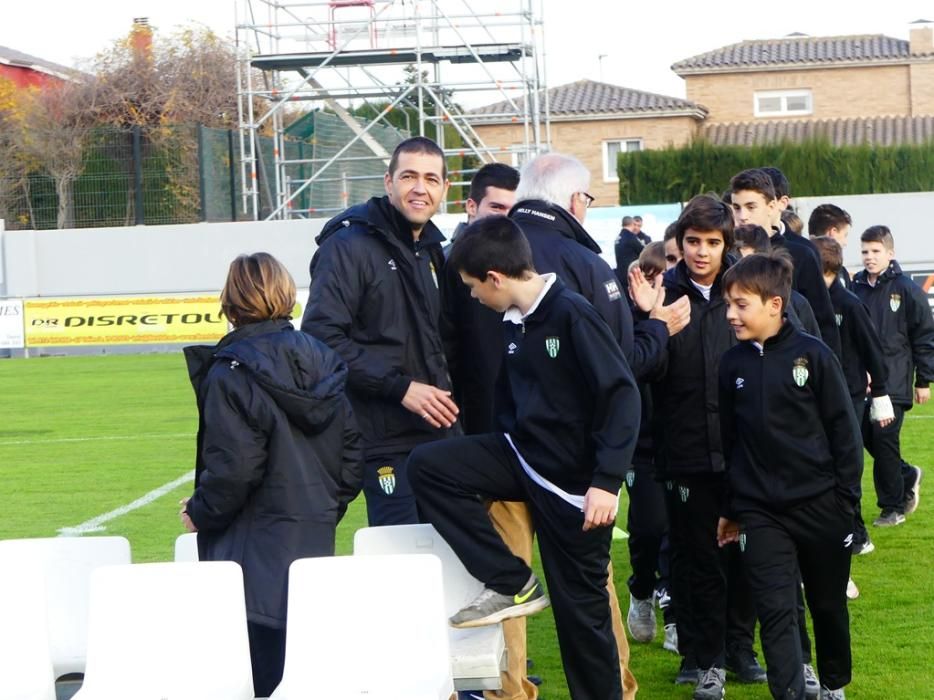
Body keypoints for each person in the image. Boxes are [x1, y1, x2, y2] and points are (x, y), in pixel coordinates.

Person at [409, 215, 641, 700]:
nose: (473, 297)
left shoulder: (572, 314)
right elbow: (511, 401)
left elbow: (621, 396)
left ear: (495, 278)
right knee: (429, 467)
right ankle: (513, 580)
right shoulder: (513, 322)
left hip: (576, 493)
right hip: (521, 459)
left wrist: (607, 479)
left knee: (583, 623)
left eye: (474, 287)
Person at [180, 253, 363, 697]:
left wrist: (200, 512)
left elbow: (235, 469)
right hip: (309, 542)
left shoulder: (232, 372)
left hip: (252, 554)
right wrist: (320, 507)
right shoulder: (324, 358)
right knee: (303, 676)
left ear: (230, 300)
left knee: (261, 678)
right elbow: (353, 455)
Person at [717, 252, 861, 700]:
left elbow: (844, 433)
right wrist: (732, 509)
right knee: (776, 610)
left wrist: (845, 504)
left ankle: (834, 684)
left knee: (827, 606)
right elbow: (730, 442)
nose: (730, 314)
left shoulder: (813, 356)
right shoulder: (732, 365)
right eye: (728, 304)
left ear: (774, 304)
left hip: (822, 506)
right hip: (761, 514)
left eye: (741, 304)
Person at [302, 136, 459, 527]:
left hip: (441, 436)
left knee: (451, 557)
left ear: (444, 188)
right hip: (385, 441)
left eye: (430, 179)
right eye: (408, 177)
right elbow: (321, 337)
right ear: (388, 182)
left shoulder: (433, 250)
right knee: (402, 557)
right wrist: (400, 387)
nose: (419, 188)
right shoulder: (348, 246)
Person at [650, 194, 765, 699]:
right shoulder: (660, 294)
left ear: (727, 244)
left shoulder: (745, 290)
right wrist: (653, 326)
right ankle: (699, 653)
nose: (701, 252)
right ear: (681, 242)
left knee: (743, 555)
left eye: (712, 242)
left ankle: (741, 648)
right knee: (694, 555)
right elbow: (637, 368)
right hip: (684, 450)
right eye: (693, 241)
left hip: (742, 450)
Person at [812, 235, 894, 554]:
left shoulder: (848, 304)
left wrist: (881, 393)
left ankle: (857, 533)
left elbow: (872, 350)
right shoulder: (811, 303)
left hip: (850, 395)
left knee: (846, 463)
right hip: (819, 397)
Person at [851, 225, 934, 526]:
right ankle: (907, 474)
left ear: (890, 253)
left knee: (885, 440)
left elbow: (924, 337)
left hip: (895, 381)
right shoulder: (854, 288)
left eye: (875, 251)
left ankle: (893, 507)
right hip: (862, 382)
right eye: (864, 252)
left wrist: (923, 381)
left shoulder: (908, 290)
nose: (869, 257)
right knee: (863, 437)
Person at [730, 168, 842, 358]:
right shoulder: (726, 254)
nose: (743, 216)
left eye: (751, 207)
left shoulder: (801, 253)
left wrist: (828, 374)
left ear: (772, 206)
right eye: (736, 207)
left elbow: (823, 321)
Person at [734, 223, 822, 338]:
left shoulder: (796, 302)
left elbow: (811, 347)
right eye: (737, 263)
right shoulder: (724, 305)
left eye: (752, 265)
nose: (744, 272)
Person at [808, 204, 854, 288]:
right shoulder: (838, 272)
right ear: (832, 233)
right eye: (845, 235)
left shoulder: (796, 263)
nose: (845, 243)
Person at [615, 215, 644, 291]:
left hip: (620, 275)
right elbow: (643, 251)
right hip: (631, 275)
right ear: (632, 224)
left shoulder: (619, 237)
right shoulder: (631, 237)